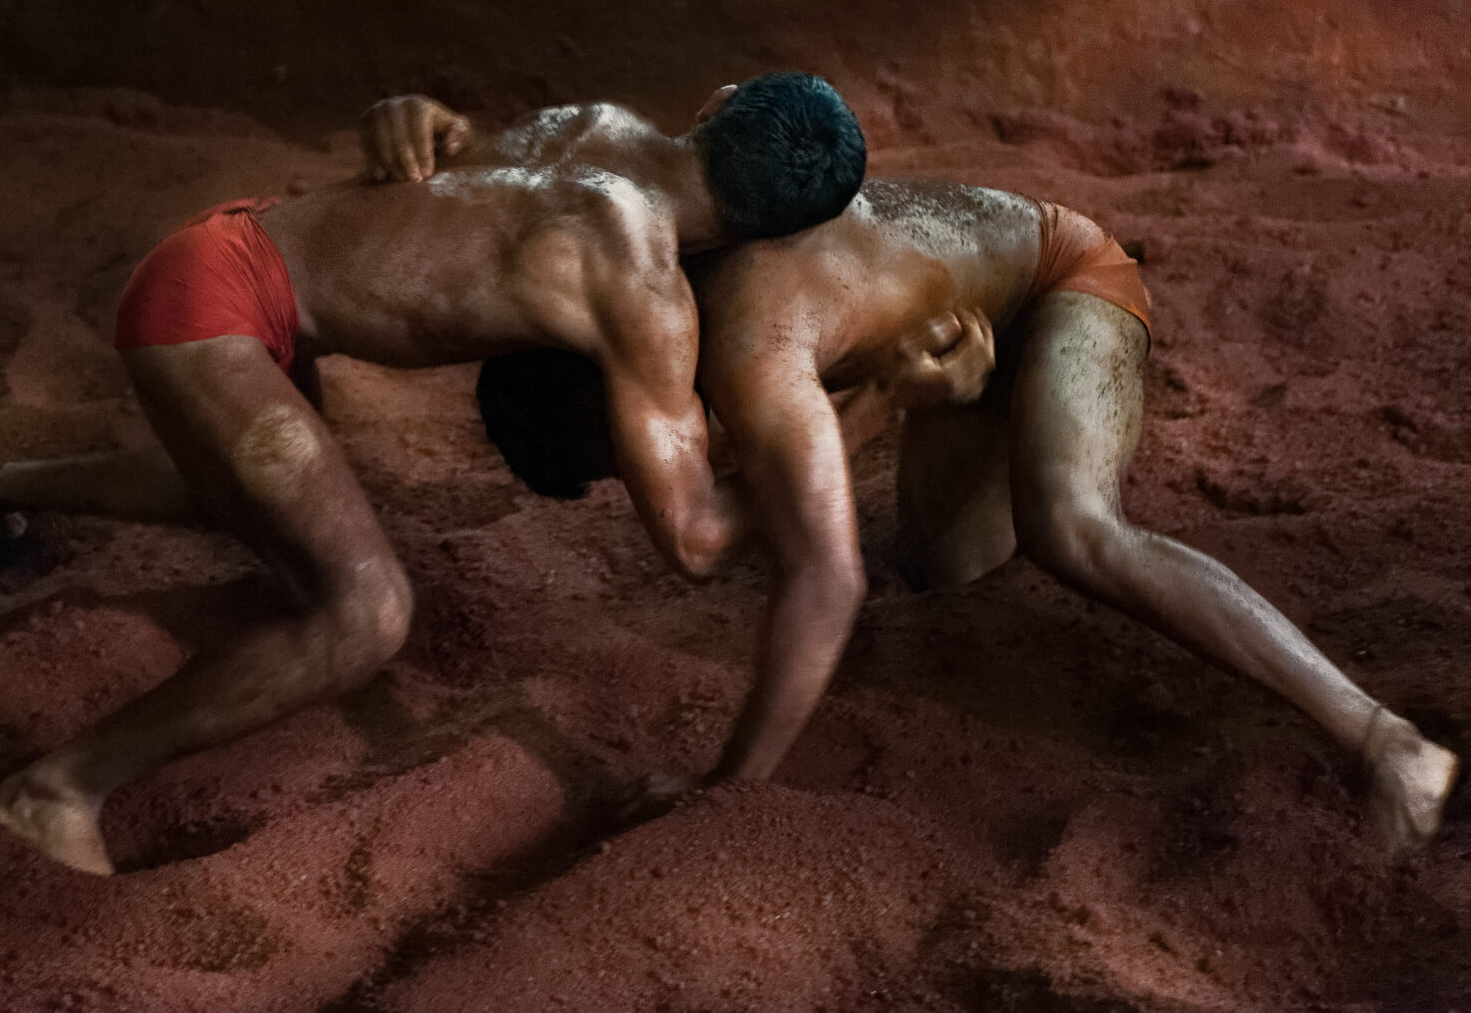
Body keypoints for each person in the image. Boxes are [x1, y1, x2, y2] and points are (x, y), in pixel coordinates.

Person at [0, 74, 869, 874]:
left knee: (246, 502)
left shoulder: (593, 121)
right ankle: (55, 788)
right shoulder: (646, 293)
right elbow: (695, 542)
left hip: (228, 246)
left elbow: (445, 173)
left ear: (716, 103)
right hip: (213, 314)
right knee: (365, 613)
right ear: (760, 238)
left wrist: (408, 111)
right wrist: (871, 410)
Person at [475, 174, 1459, 857]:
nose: (662, 458)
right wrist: (887, 401)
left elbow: (824, 580)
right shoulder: (652, 274)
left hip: (1069, 282)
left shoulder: (744, 346)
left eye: (637, 452)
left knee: (1073, 528)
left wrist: (730, 781)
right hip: (966, 337)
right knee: (944, 570)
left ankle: (1388, 742)